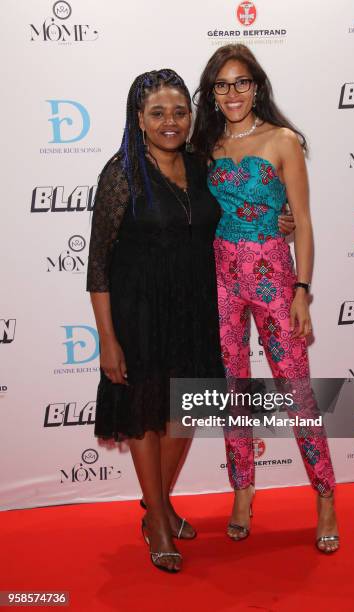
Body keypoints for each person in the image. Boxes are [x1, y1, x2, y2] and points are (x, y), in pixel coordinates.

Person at [191, 44, 340, 553]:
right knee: (232, 391)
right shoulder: (203, 145)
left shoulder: (283, 140)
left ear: (256, 86)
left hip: (275, 278)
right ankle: (242, 491)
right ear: (211, 93)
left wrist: (302, 290)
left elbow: (303, 221)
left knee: (295, 390)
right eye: (222, 85)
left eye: (241, 82)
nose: (232, 93)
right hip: (220, 281)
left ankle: (324, 497)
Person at [86, 69, 226, 573]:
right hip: (139, 312)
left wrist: (279, 219)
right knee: (146, 414)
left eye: (180, 111)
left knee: (183, 412)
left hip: (194, 307)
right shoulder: (121, 174)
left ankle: (157, 507)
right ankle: (161, 521)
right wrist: (108, 339)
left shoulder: (201, 163)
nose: (171, 122)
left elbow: (229, 218)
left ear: (191, 116)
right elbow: (98, 263)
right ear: (139, 119)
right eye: (158, 113)